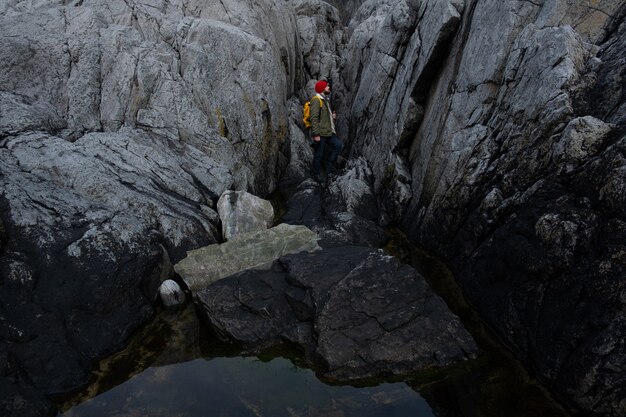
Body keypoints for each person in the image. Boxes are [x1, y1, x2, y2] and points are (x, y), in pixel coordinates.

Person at [309, 80, 343, 182]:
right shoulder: (316, 100)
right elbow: (314, 118)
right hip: (320, 133)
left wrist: (332, 117)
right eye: (326, 86)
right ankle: (316, 174)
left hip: (328, 132)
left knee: (338, 145)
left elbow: (324, 118)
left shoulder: (325, 100)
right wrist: (316, 134)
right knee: (319, 154)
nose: (329, 87)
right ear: (322, 89)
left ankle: (329, 167)